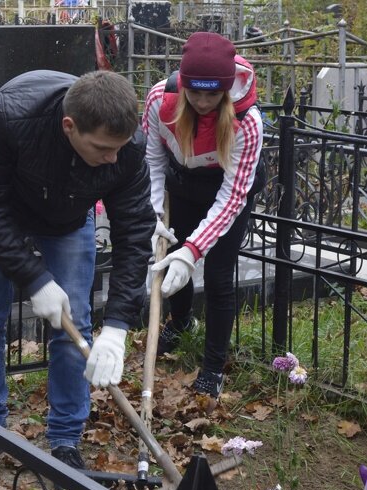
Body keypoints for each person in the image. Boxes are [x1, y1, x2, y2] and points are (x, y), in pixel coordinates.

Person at [0, 70, 154, 468]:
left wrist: (118, 325)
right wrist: (33, 277)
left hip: (68, 221)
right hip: (1, 214)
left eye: (118, 148)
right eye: (102, 147)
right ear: (69, 126)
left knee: (75, 326)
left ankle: (66, 438)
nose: (112, 158)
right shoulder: (11, 116)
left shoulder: (128, 148)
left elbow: (134, 232)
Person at [143, 32, 265, 399]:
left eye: (213, 95)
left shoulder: (247, 122)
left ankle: (213, 366)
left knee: (216, 275)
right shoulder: (160, 100)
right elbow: (151, 158)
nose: (202, 101)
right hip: (183, 183)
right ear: (183, 84)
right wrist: (152, 215)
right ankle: (180, 323)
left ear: (226, 91)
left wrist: (195, 250)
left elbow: (231, 198)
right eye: (195, 92)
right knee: (173, 258)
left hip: (226, 190)